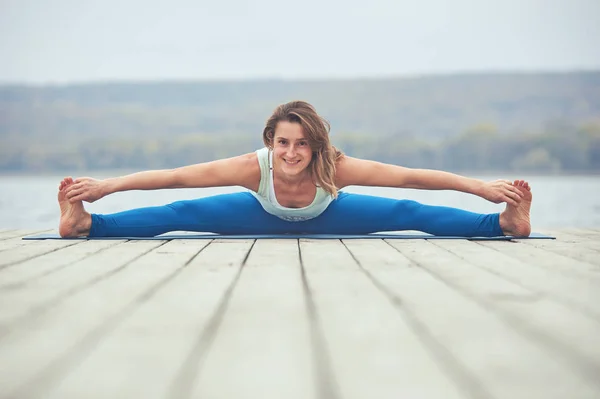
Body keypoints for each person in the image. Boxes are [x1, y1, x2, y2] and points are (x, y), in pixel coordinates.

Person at [58, 100, 532, 238]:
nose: (291, 153)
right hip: (257, 213)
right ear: (270, 142)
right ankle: (85, 223)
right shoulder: (252, 167)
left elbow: (409, 177)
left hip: (332, 213)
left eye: (302, 143)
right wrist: (106, 187)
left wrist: (480, 189)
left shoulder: (335, 167)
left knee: (408, 209)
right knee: (182, 210)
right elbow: (177, 176)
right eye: (283, 142)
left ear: (316, 145)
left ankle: (503, 224)